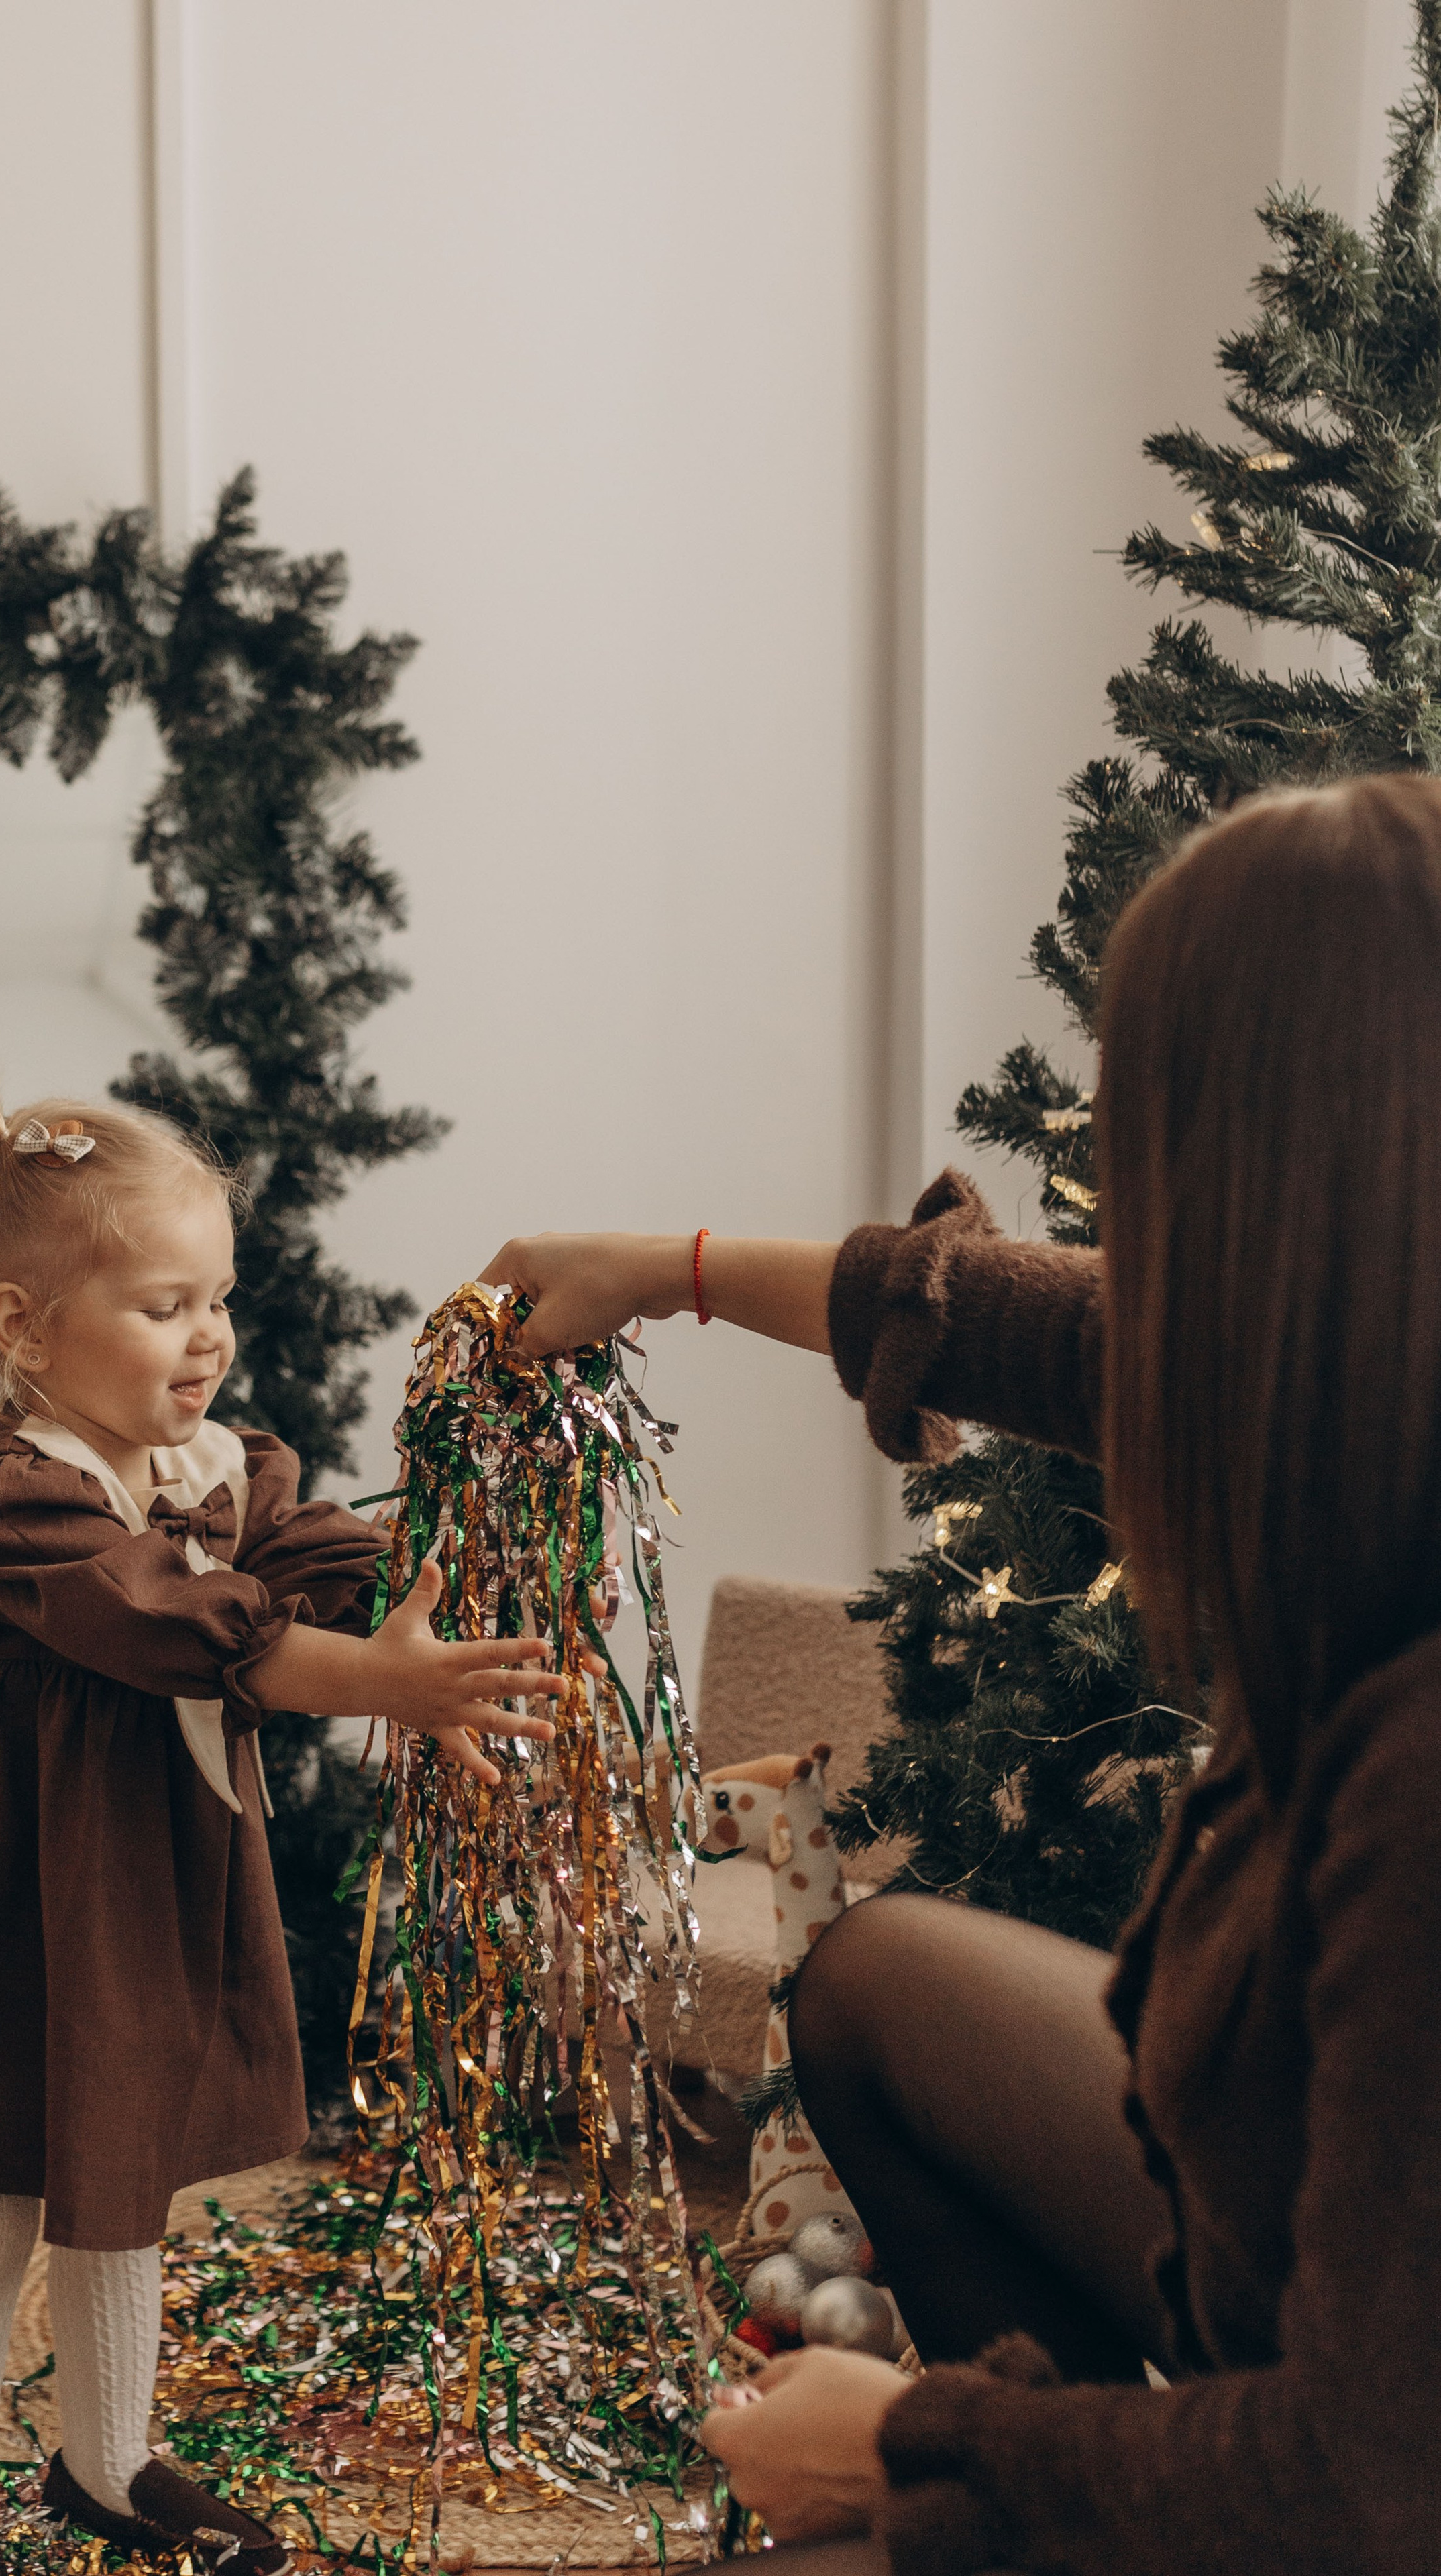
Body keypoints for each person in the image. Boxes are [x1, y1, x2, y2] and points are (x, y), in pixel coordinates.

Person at [483, 773, 1441, 2573]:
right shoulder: (1368, 1361)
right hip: (1322, 2371)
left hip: (1363, 2487)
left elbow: (1382, 2489)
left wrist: (927, 2441)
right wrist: (659, 1268)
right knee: (881, 1983)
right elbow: (1013, 1316)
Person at [0, 1058, 562, 2576]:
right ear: (22, 1331)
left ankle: (105, 2465)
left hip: (131, 1875)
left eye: (216, 1297)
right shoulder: (21, 1497)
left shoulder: (216, 1460)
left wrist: (435, 1578)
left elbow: (309, 1553)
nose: (211, 1335)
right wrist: (373, 1677)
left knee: (125, 2181)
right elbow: (189, 1626)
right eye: (164, 1305)